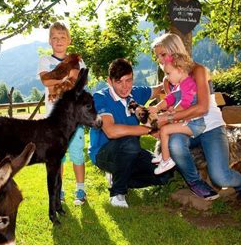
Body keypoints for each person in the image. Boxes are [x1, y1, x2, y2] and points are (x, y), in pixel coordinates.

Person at [151, 33, 241, 207]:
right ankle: (195, 182)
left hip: (210, 126)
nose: (160, 61)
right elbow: (179, 104)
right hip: (187, 127)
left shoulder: (198, 70)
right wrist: (162, 119)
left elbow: (202, 107)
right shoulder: (168, 79)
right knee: (175, 143)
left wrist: (167, 117)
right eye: (157, 57)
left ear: (174, 50)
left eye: (163, 55)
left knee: (220, 176)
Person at [88, 58, 173, 208]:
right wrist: (150, 130)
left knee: (165, 175)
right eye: (119, 82)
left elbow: (157, 88)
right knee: (130, 142)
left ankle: (120, 177)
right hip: (103, 152)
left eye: (128, 80)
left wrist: (168, 81)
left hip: (130, 152)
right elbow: (111, 131)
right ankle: (117, 194)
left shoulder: (135, 93)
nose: (124, 87)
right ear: (109, 81)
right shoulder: (100, 98)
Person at [38, 21, 87, 206]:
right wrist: (66, 77)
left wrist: (58, 78)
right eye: (55, 38)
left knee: (77, 154)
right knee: (58, 156)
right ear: (50, 41)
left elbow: (78, 83)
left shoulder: (78, 61)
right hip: (54, 119)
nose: (59, 41)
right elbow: (46, 81)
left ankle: (80, 189)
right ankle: (59, 190)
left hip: (74, 117)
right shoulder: (45, 60)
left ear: (69, 40)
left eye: (62, 37)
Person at [149, 53, 205, 175]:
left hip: (195, 124)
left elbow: (185, 103)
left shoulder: (189, 83)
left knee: (164, 131)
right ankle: (164, 155)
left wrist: (172, 111)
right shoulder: (180, 85)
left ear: (179, 70)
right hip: (188, 122)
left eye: (168, 74)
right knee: (164, 129)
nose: (167, 78)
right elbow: (170, 98)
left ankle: (166, 161)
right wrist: (156, 107)